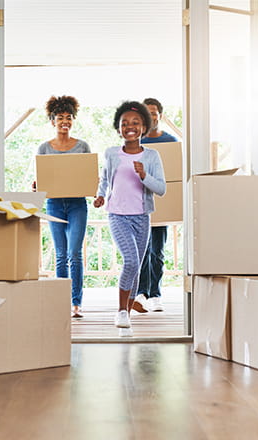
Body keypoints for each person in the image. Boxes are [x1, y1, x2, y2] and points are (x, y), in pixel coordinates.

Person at [93, 101, 166, 335]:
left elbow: (161, 188)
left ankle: (127, 309)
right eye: (124, 123)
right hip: (117, 215)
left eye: (135, 123)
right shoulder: (112, 153)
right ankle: (121, 311)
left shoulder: (152, 156)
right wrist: (100, 196)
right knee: (132, 262)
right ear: (118, 129)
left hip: (142, 217)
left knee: (136, 265)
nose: (130, 127)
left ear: (144, 127)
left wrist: (144, 175)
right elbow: (104, 179)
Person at [37, 96, 90, 318]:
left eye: (69, 118)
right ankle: (62, 302)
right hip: (55, 204)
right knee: (60, 254)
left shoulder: (82, 146)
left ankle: (76, 303)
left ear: (73, 120)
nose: (64, 122)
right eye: (60, 118)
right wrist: (37, 185)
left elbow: (88, 175)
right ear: (52, 121)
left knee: (74, 254)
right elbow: (43, 179)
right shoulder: (44, 148)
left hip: (77, 203)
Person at [132, 97, 179, 313]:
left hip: (162, 202)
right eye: (147, 113)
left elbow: (176, 174)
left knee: (157, 251)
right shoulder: (136, 142)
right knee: (141, 250)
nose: (151, 117)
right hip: (140, 203)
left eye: (154, 113)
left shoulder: (170, 141)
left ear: (160, 115)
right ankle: (141, 293)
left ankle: (156, 294)